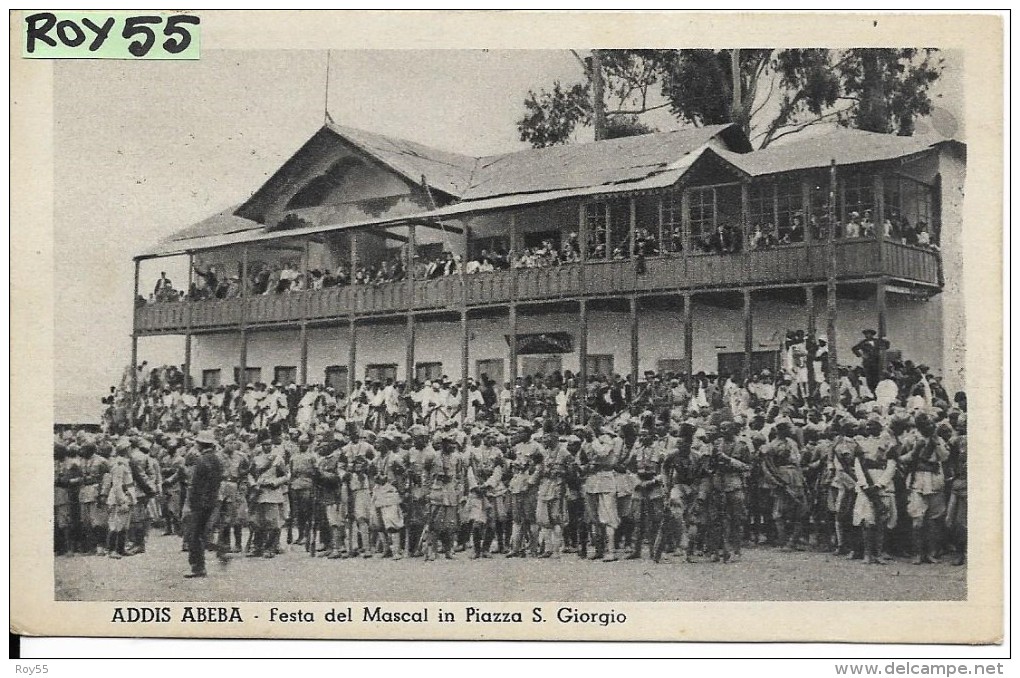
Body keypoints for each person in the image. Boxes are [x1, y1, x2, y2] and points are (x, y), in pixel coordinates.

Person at [185, 430, 225, 578]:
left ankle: (197, 566)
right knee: (202, 533)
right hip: (211, 500)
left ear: (201, 444)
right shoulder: (217, 459)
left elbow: (195, 485)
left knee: (194, 535)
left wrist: (192, 502)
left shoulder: (201, 460)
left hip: (200, 502)